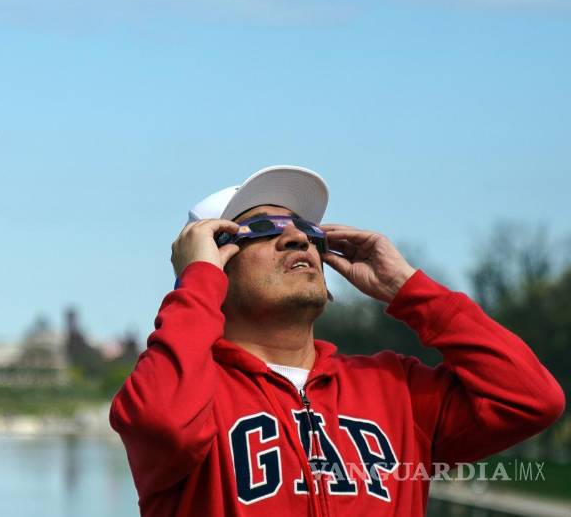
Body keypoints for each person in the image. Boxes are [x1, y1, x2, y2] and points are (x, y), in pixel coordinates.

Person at [110, 166, 564, 516]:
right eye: (263, 230)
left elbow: (530, 399)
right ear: (214, 266)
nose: (297, 239)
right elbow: (162, 425)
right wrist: (195, 283)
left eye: (310, 232)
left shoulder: (397, 389)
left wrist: (409, 288)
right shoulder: (190, 392)